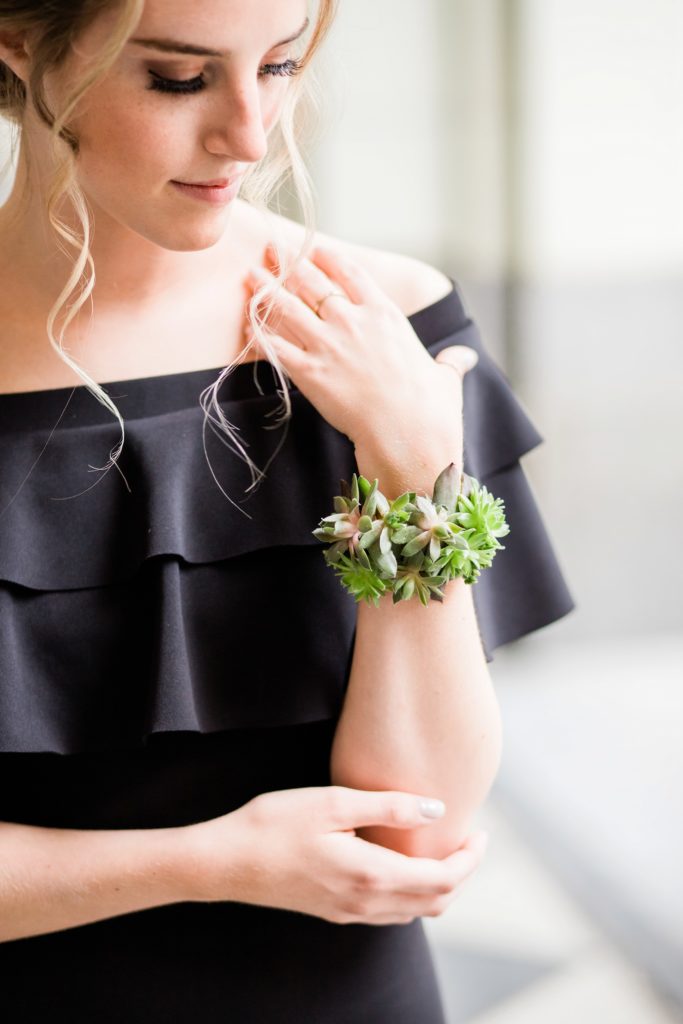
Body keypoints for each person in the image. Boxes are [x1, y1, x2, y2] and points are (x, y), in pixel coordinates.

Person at [0, 1, 575, 1021]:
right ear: (18, 45)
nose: (251, 135)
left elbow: (415, 835)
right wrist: (207, 861)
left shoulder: (386, 328)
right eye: (179, 79)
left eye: (279, 65)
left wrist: (412, 464)